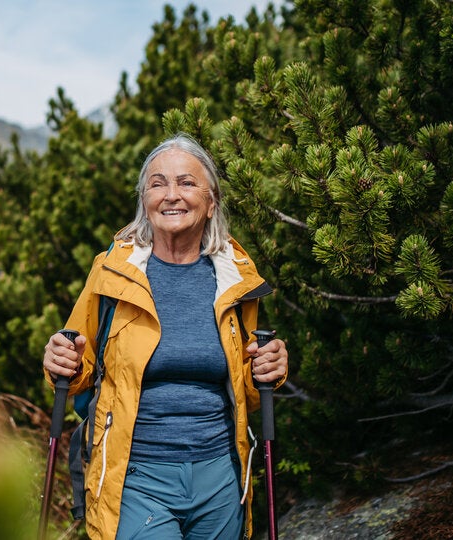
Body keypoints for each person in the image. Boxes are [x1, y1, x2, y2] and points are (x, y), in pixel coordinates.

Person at [43, 133, 289, 539]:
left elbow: (246, 387)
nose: (171, 194)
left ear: (211, 203)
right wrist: (59, 362)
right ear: (144, 201)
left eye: (186, 183)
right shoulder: (111, 273)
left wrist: (270, 368)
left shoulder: (235, 278)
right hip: (136, 475)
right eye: (157, 183)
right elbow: (76, 371)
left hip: (221, 476)